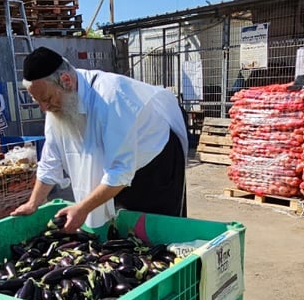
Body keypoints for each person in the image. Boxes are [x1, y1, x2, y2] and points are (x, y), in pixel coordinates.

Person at [10, 47, 189, 231]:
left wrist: (82, 209)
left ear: (66, 81)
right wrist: (33, 203)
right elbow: (51, 160)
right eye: (38, 101)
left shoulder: (112, 97)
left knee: (154, 228)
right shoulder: (56, 104)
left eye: (46, 99)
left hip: (155, 162)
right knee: (119, 224)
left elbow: (120, 171)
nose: (44, 108)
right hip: (121, 165)